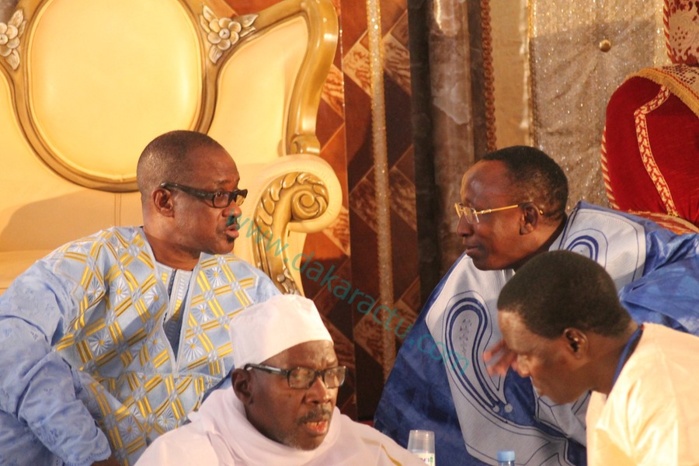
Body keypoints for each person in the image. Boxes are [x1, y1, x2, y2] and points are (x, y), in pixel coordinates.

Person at [374, 145, 699, 465]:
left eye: (475, 213)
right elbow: (422, 408)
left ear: (527, 217)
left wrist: (564, 326)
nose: (461, 229)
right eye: (462, 211)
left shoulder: (627, 249)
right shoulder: (470, 281)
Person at [0, 130, 280, 466]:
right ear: (164, 201)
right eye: (220, 196)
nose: (235, 211)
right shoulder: (91, 260)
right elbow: (9, 341)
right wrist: (91, 455)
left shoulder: (253, 289)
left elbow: (293, 377)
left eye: (237, 195)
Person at [136, 294, 427, 466]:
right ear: (244, 387)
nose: (321, 394)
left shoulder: (368, 453)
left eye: (330, 375)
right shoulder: (182, 457)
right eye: (298, 376)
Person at [497, 250, 699, 465]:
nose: (522, 369)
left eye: (526, 354)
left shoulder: (664, 391)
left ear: (575, 343)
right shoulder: (610, 383)